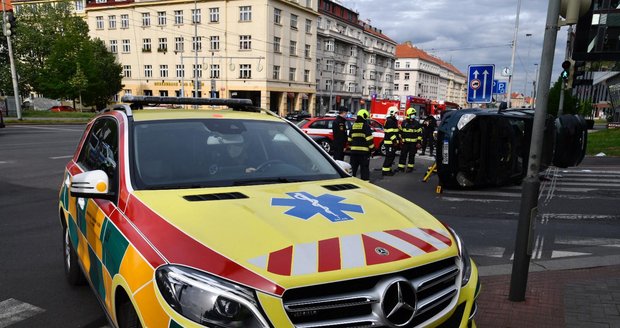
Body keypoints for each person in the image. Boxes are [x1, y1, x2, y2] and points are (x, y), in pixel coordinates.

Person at [348, 109, 374, 181]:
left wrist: (351, 147)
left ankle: (351, 182)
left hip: (354, 152)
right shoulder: (366, 126)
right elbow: (369, 139)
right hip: (364, 153)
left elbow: (349, 140)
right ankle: (365, 184)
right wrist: (372, 149)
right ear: (364, 116)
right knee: (364, 169)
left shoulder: (353, 126)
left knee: (353, 169)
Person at [398, 108, 423, 172]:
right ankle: (401, 167)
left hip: (413, 144)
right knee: (403, 155)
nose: (414, 115)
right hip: (405, 143)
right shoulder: (404, 122)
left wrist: (419, 142)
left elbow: (420, 134)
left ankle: (410, 167)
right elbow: (400, 132)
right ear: (408, 115)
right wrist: (400, 139)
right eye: (412, 114)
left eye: (414, 114)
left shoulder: (417, 123)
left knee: (412, 156)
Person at [381, 106, 400, 176]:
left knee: (391, 156)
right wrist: (395, 141)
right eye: (396, 113)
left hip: (391, 143)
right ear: (392, 113)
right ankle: (385, 171)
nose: (397, 114)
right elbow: (390, 132)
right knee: (389, 157)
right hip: (390, 142)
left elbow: (395, 132)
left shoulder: (392, 120)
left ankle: (388, 169)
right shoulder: (390, 121)